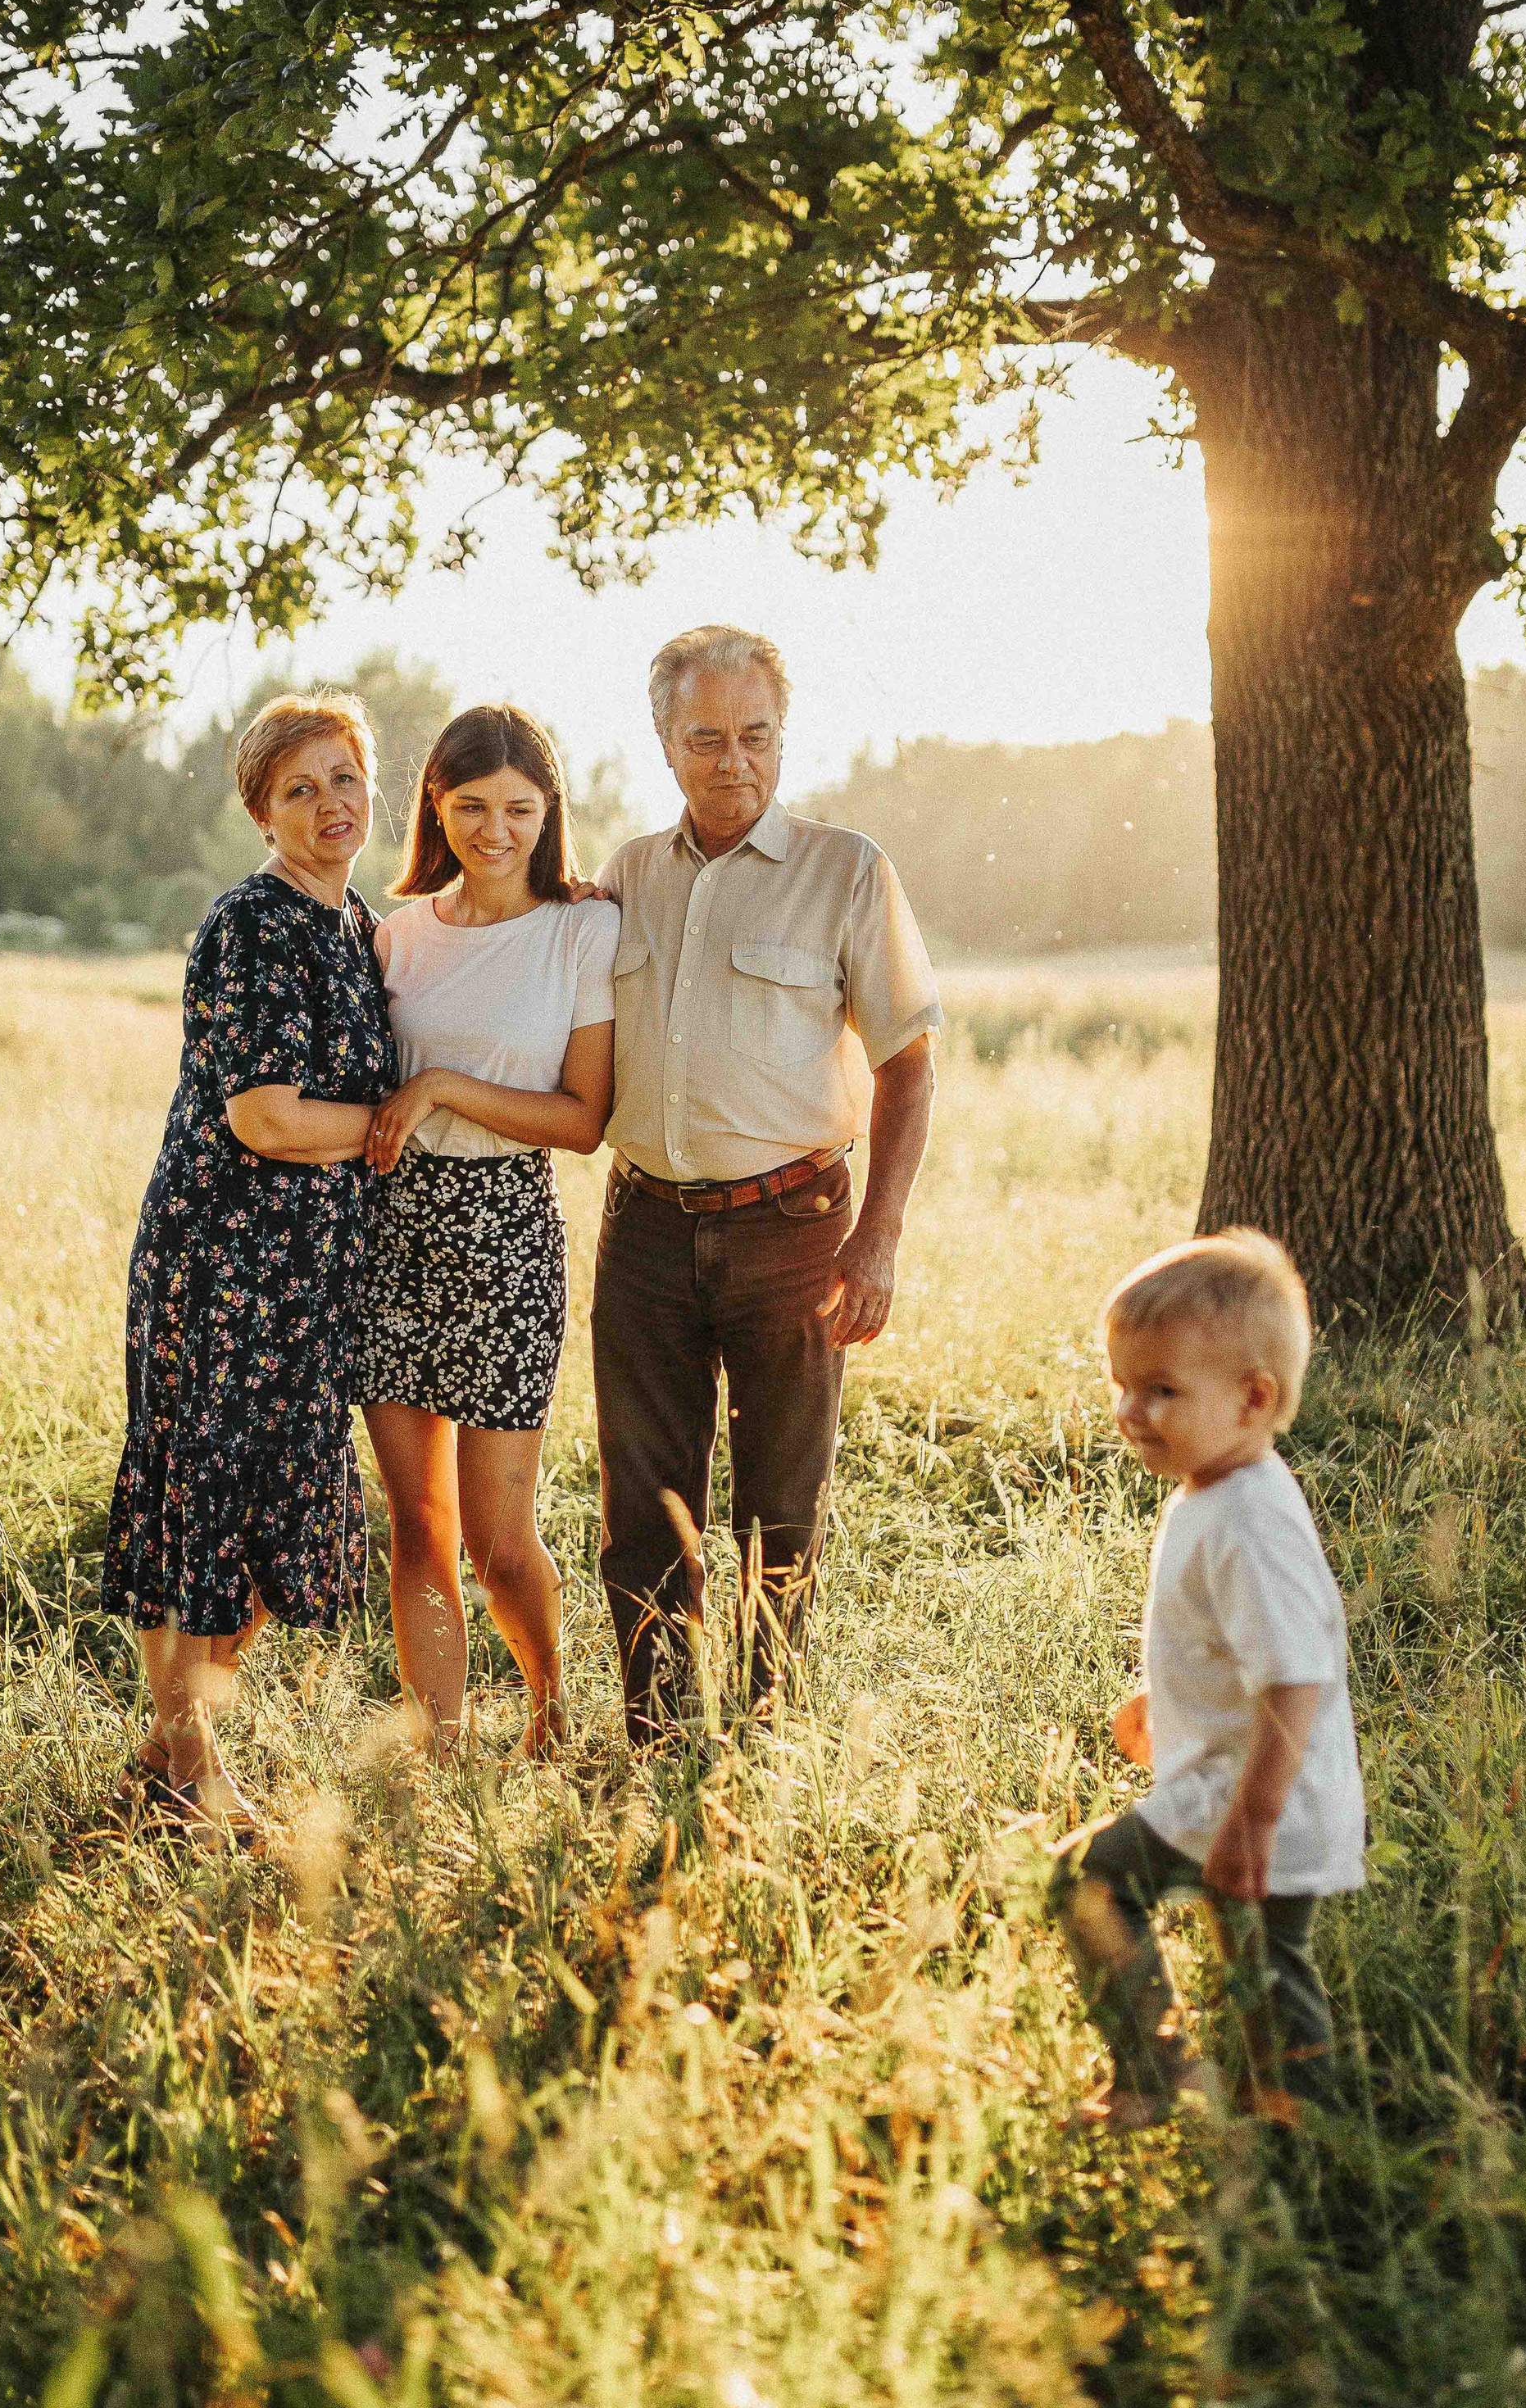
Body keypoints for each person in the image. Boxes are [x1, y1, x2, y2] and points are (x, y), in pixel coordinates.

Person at [591, 622, 940, 1743]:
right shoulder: (625, 878)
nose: (732, 761)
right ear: (663, 740)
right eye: (705, 739)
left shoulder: (847, 871)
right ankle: (658, 1730)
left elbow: (908, 1062)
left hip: (794, 1229)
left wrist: (876, 1241)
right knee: (645, 1501)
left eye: (756, 736)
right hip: (643, 1229)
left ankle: (767, 1725)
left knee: (782, 1500)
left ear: (783, 737)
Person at [101, 690, 397, 1846]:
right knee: (202, 1505)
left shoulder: (353, 921)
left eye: (344, 777)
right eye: (299, 788)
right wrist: (399, 1120)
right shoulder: (252, 923)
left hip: (309, 1272)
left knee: (283, 1521)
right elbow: (266, 1119)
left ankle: (166, 1757)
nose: (330, 803)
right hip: (221, 1262)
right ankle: (196, 1770)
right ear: (263, 813)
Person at [1051, 1230, 1366, 2127]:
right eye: (1122, 1385)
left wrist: (1254, 1820)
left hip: (1263, 1802)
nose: (1129, 1410)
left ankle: (1295, 2124)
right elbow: (1244, 1650)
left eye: (1161, 1391)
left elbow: (1296, 1678)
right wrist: (1173, 1698)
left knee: (1249, 1958)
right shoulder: (1215, 1490)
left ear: (1252, 1398)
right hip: (1223, 1786)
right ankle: (1162, 2077)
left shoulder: (1249, 1520)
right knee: (1125, 1899)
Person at [359, 704, 620, 1757]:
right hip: (394, 1232)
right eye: (470, 806)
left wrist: (443, 1087)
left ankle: (550, 1710)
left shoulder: (582, 929)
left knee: (500, 1539)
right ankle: (443, 1749)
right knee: (418, 1527)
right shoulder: (396, 932)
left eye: (518, 808)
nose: (494, 830)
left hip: (506, 1231)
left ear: (548, 812)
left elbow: (584, 1120)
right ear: (436, 804)